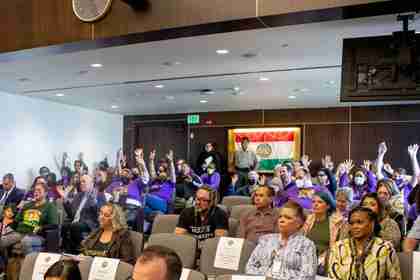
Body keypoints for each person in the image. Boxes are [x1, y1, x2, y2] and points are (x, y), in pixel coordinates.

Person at [246, 201, 317, 280]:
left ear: (299, 223)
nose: (281, 220)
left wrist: (279, 277)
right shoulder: (266, 240)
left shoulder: (306, 245)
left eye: (287, 218)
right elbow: (250, 267)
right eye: (280, 217)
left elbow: (308, 275)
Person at [328, 207, 402, 280]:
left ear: (372, 224)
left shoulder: (385, 248)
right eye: (351, 223)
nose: (355, 226)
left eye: (359, 222)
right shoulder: (339, 247)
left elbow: (395, 277)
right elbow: (332, 277)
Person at [302, 191, 348, 271]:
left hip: (325, 261)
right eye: (313, 202)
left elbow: (338, 246)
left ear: (328, 206)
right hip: (305, 258)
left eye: (320, 202)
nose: (315, 204)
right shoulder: (309, 220)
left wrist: (323, 258)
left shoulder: (337, 222)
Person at [62, 175, 106, 254]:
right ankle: (67, 250)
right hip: (76, 222)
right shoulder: (78, 195)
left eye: (84, 182)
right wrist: (65, 200)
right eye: (80, 182)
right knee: (64, 225)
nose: (81, 184)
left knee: (75, 226)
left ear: (91, 184)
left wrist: (95, 202)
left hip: (90, 223)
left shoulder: (99, 195)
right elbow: (71, 214)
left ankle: (82, 248)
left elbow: (101, 214)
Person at [14, 182, 58, 255]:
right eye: (35, 190)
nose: (36, 192)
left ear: (46, 193)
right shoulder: (27, 205)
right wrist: (5, 229)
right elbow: (16, 221)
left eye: (39, 190)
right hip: (20, 233)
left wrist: (41, 228)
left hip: (36, 235)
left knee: (26, 241)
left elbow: (54, 224)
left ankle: (31, 264)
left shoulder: (50, 206)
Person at [146, 150, 176, 215]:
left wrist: (171, 162)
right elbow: (152, 172)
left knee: (143, 196)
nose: (160, 173)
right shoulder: (155, 180)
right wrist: (151, 160)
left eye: (162, 171)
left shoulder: (170, 181)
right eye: (159, 172)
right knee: (142, 210)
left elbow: (172, 172)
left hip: (162, 203)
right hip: (152, 205)